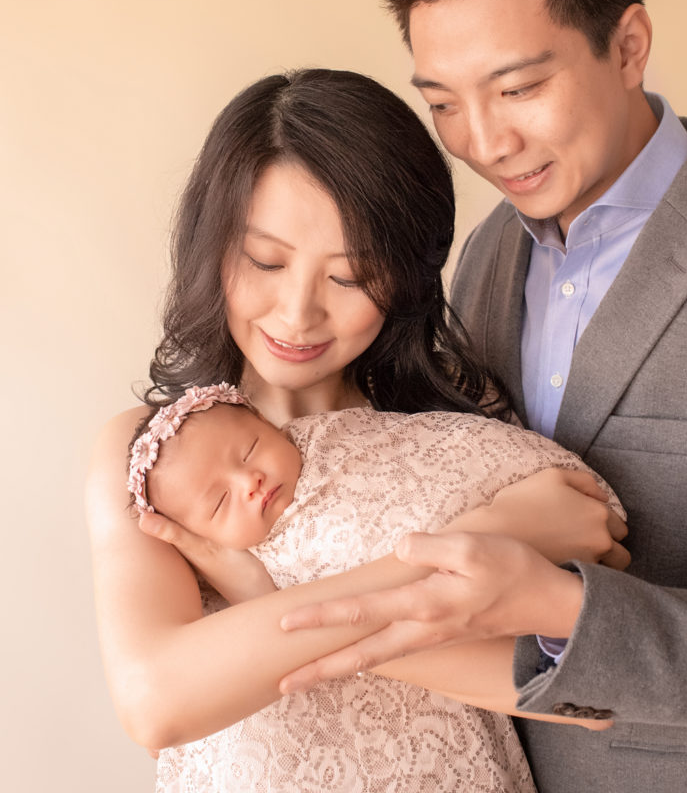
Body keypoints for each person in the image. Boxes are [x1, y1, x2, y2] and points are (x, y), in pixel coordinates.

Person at [276, 0, 687, 792]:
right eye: (442, 102)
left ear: (628, 43)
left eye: (518, 87)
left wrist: (565, 608)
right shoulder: (486, 256)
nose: (483, 143)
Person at [86, 69, 628, 789]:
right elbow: (158, 700)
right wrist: (483, 546)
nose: (298, 313)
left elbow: (575, 699)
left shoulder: (459, 427)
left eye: (348, 277)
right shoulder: (154, 454)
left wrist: (262, 603)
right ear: (211, 244)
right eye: (265, 261)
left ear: (403, 278)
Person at [125, 382, 623, 790]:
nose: (248, 481)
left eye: (250, 450)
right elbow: (160, 708)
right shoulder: (209, 578)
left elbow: (592, 702)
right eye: (218, 502)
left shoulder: (361, 458)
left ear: (272, 427)